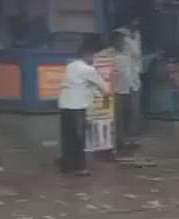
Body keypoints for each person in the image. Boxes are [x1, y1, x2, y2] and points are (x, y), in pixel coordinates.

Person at [58, 35, 109, 176]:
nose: (95, 59)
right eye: (95, 56)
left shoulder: (70, 66)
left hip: (64, 105)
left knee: (67, 137)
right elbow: (104, 87)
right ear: (89, 54)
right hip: (77, 107)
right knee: (79, 139)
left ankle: (67, 165)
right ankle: (80, 167)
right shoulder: (88, 70)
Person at [109, 29, 140, 150]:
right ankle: (119, 142)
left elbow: (133, 66)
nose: (122, 43)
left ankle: (129, 141)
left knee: (130, 114)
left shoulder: (127, 55)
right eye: (120, 41)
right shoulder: (109, 55)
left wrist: (135, 85)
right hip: (116, 91)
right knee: (118, 117)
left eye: (123, 41)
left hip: (129, 89)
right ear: (113, 42)